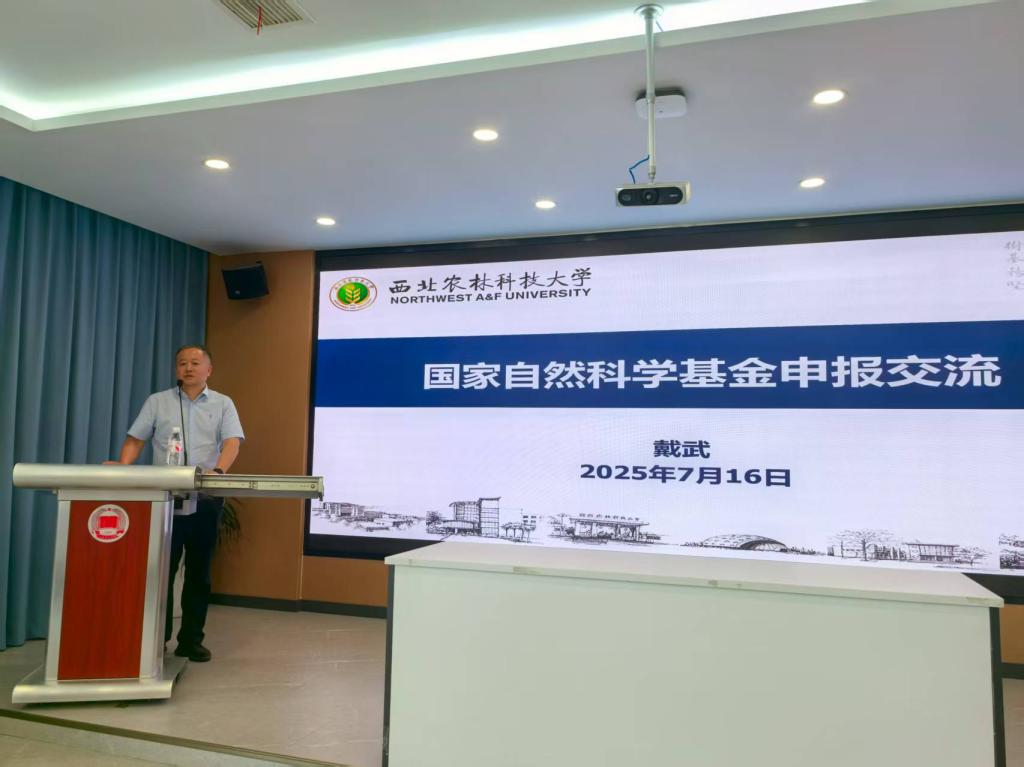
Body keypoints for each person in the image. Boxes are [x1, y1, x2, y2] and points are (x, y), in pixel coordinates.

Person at [109, 345, 244, 662]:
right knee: (161, 572)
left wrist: (218, 471)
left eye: (195, 363)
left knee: (199, 573)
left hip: (205, 499)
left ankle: (191, 640)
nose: (188, 368)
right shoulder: (158, 401)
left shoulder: (223, 403)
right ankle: (157, 639)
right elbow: (136, 439)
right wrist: (123, 468)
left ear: (209, 370)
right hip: (165, 498)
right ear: (176, 370)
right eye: (182, 363)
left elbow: (232, 442)